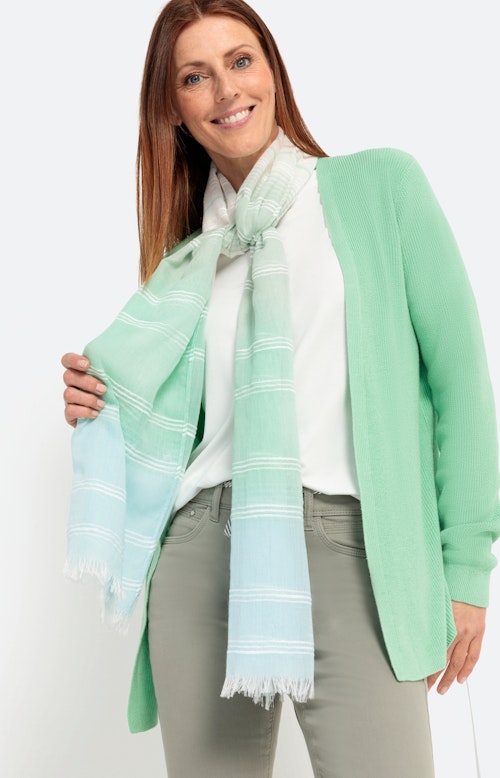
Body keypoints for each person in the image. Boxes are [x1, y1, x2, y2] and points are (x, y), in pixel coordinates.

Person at [62, 1, 500, 776]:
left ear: (272, 71)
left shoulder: (379, 188)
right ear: (173, 109)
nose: (227, 89)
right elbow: (178, 428)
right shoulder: (189, 262)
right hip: (200, 554)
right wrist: (99, 403)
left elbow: (461, 377)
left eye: (241, 60)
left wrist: (466, 567)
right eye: (195, 76)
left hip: (354, 555)